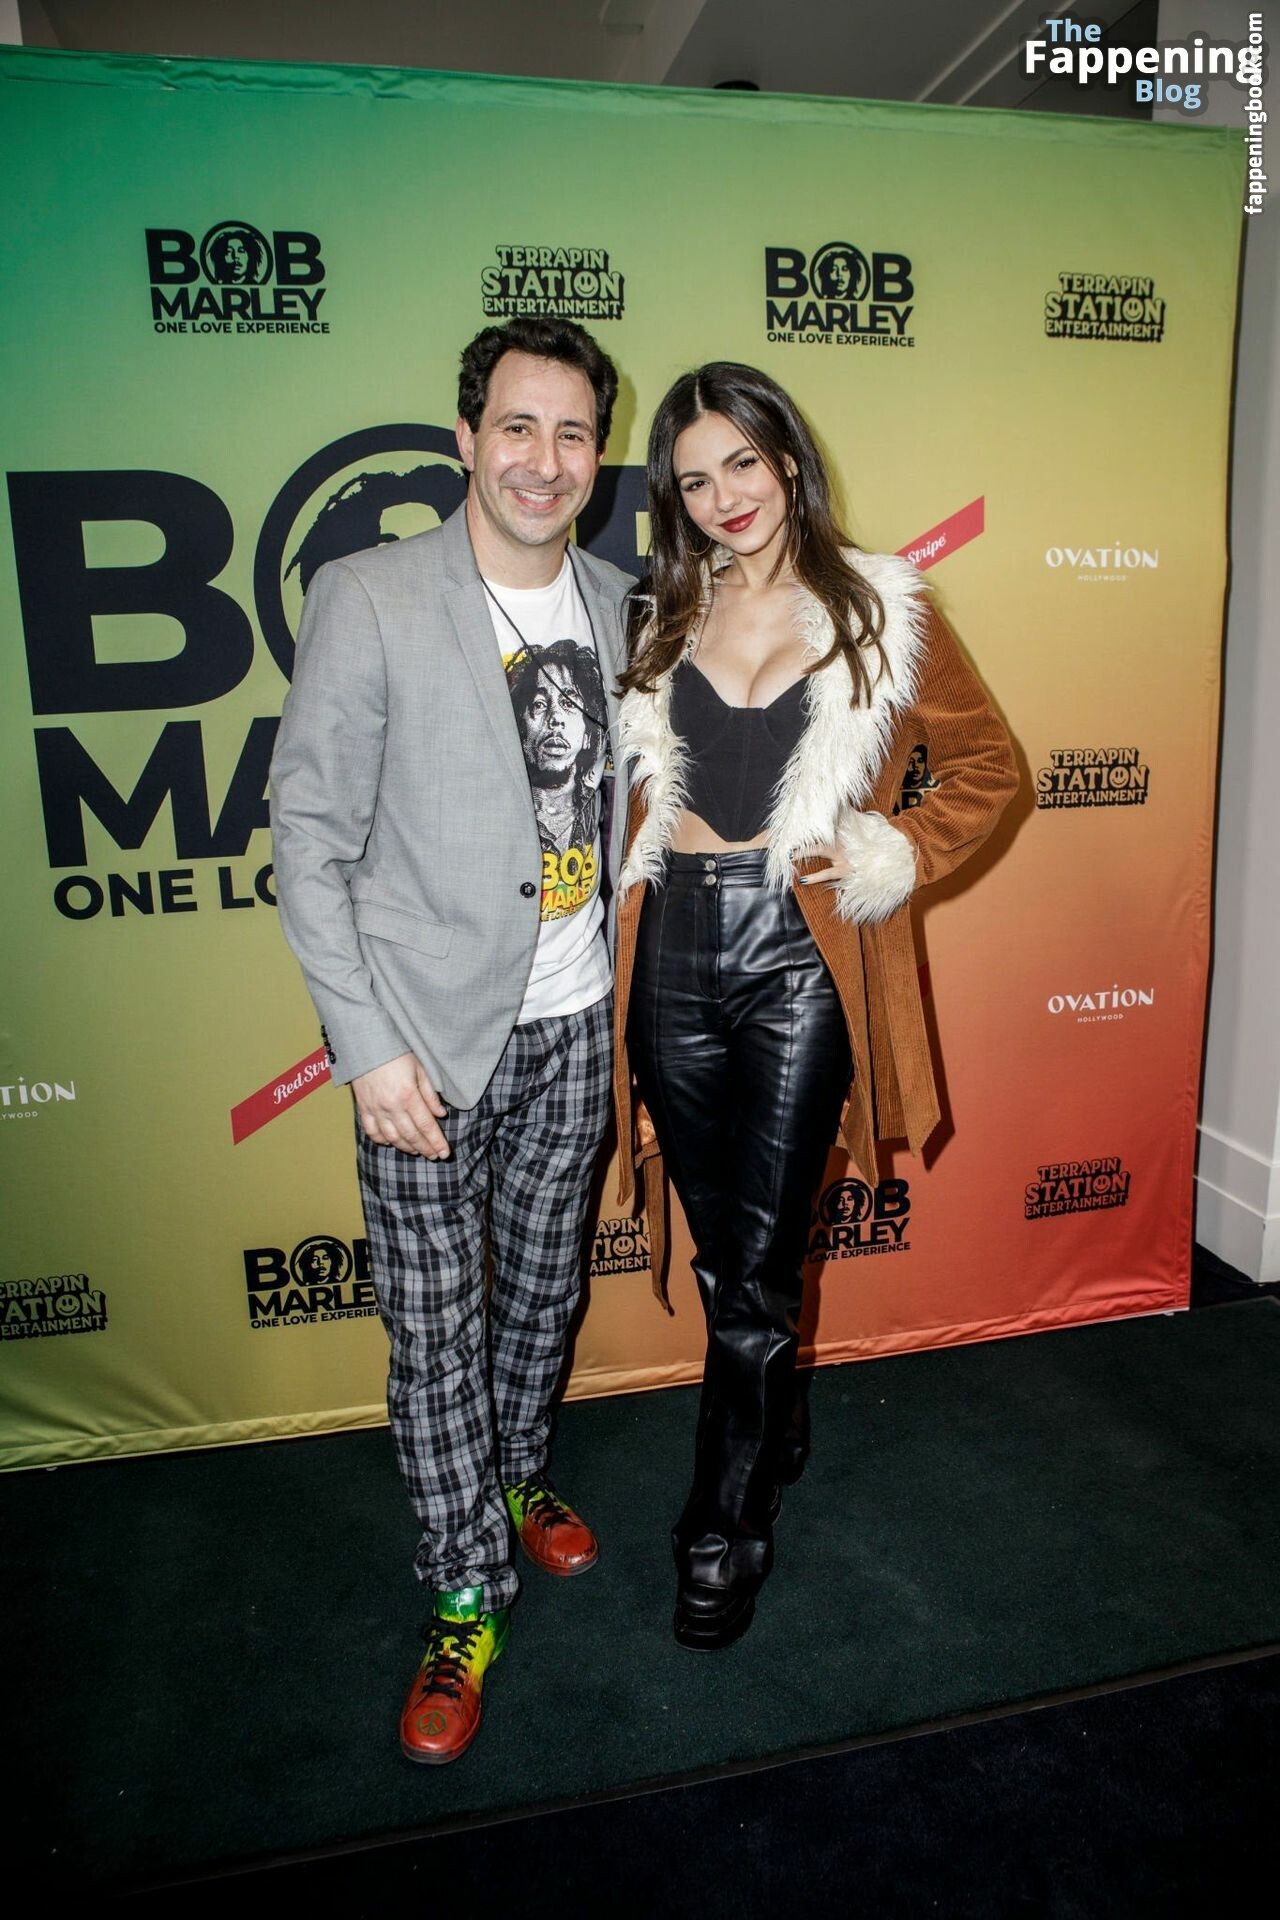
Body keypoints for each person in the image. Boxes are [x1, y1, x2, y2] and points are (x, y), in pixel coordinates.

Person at [270, 316, 633, 1761]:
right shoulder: (370, 596)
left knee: (541, 1300)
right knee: (435, 1335)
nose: (545, 460)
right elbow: (308, 839)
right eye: (518, 427)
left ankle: (515, 1473)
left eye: (572, 432)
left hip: (577, 1025)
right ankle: (463, 1587)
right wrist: (364, 1047)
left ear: (599, 454)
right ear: (466, 438)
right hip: (421, 1042)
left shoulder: (622, 606)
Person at [611, 362, 1018, 1651]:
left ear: (787, 458)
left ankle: (720, 1525)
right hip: (671, 946)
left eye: (742, 462)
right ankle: (775, 1409)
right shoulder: (657, 613)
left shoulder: (883, 608)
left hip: (801, 956)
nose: (723, 497)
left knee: (757, 1262)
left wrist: (896, 847)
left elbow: (990, 765)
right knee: (733, 1251)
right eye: (693, 480)